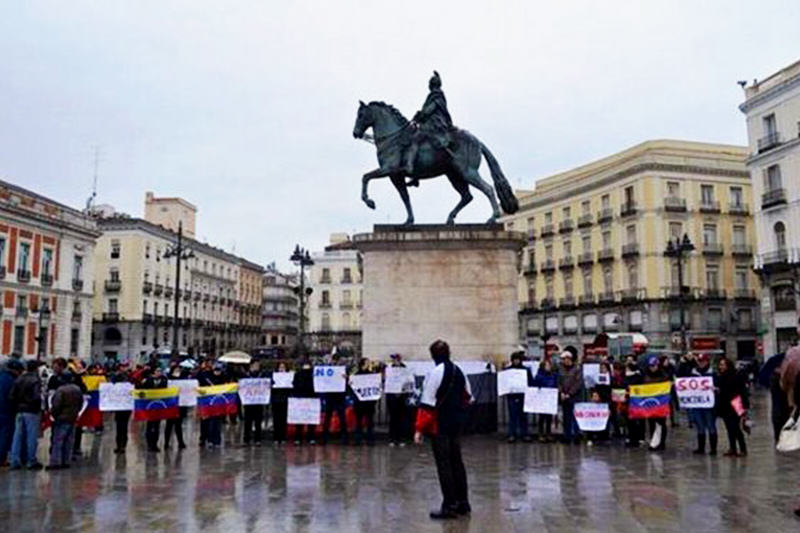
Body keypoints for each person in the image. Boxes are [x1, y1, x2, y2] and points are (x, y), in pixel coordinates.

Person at [414, 339, 472, 520]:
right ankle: (463, 502)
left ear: (433, 355)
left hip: (440, 425)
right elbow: (469, 397)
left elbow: (428, 403)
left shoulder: (435, 373)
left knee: (444, 464)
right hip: (456, 423)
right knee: (457, 462)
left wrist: (419, 429)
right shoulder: (459, 371)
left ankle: (449, 505)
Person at [404, 70, 454, 179]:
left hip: (435, 124)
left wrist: (421, 115)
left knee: (415, 139)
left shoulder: (436, 95)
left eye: (429, 83)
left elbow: (430, 109)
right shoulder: (437, 94)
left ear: (432, 84)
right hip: (432, 122)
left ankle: (409, 166)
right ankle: (415, 175)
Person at [9, 360, 43, 470]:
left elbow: (11, 396)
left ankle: (15, 460)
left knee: (17, 436)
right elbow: (36, 397)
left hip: (19, 410)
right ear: (36, 369)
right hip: (31, 411)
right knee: (31, 436)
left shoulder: (19, 379)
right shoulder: (35, 380)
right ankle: (31, 460)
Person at [47, 373, 83, 470]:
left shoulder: (60, 390)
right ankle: (66, 461)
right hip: (73, 418)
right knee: (69, 441)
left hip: (61, 418)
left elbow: (56, 405)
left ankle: (55, 462)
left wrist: (54, 415)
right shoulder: (77, 389)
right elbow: (81, 403)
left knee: (58, 441)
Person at [716, 357, 748, 457]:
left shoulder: (736, 375)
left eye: (723, 365)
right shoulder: (721, 376)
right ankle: (732, 448)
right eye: (720, 365)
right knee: (729, 428)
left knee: (735, 427)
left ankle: (743, 449)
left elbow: (741, 391)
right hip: (725, 405)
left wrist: (745, 406)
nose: (721, 367)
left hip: (735, 404)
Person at [689, 353, 718, 455]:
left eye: (703, 361)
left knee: (711, 426)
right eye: (700, 361)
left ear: (707, 361)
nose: (701, 363)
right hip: (697, 404)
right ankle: (701, 448)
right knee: (700, 426)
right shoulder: (693, 372)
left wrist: (716, 389)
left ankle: (713, 449)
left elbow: (719, 386)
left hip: (709, 404)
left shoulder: (713, 373)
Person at [321, 354, 349, 446]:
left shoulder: (343, 370)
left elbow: (349, 383)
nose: (335, 362)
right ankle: (324, 437)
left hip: (339, 397)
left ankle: (344, 437)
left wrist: (346, 378)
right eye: (334, 360)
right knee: (328, 418)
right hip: (330, 396)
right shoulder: (328, 369)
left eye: (337, 360)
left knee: (342, 418)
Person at [505, 352, 533, 443]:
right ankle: (512, 434)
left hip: (523, 396)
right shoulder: (508, 370)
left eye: (518, 359)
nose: (516, 361)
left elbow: (530, 382)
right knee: (513, 416)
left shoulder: (526, 370)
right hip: (512, 396)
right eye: (515, 359)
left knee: (523, 416)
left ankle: (524, 434)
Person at [643, 355, 668, 451]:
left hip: (661, 403)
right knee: (651, 423)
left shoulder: (663, 375)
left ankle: (662, 442)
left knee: (661, 423)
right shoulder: (646, 375)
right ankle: (654, 441)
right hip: (650, 404)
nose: (652, 368)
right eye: (651, 366)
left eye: (654, 366)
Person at [385, 354, 411, 446]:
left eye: (396, 359)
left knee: (401, 418)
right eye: (393, 359)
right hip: (392, 397)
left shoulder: (405, 369)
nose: (394, 361)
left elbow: (408, 381)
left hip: (402, 397)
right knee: (393, 418)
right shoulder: (389, 369)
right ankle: (392, 438)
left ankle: (401, 438)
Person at [141, 365, 168, 452]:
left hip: (159, 406)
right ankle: (149, 444)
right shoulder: (148, 380)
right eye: (157, 371)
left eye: (160, 371)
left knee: (157, 426)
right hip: (150, 406)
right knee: (149, 425)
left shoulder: (164, 380)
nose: (159, 373)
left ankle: (155, 444)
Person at [558, 352, 583, 444]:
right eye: (564, 359)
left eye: (567, 359)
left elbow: (578, 383)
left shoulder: (577, 369)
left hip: (574, 397)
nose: (566, 361)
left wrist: (570, 393)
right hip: (564, 396)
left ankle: (576, 435)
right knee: (566, 417)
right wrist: (561, 392)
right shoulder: (561, 370)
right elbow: (559, 382)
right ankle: (567, 436)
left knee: (575, 417)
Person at [352, 358, 377, 446]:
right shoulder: (356, 374)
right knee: (359, 423)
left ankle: (370, 439)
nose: (369, 364)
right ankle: (358, 439)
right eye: (367, 363)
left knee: (370, 422)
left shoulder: (371, 375)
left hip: (369, 403)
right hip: (359, 403)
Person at [109, 363, 132, 454]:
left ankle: (123, 446)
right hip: (119, 406)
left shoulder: (129, 376)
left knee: (124, 427)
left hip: (126, 406)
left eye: (125, 366)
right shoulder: (115, 377)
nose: (124, 368)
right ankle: (119, 445)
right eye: (122, 367)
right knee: (119, 427)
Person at [291, 359, 316, 445]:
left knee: (311, 420)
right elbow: (295, 385)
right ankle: (299, 437)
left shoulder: (313, 374)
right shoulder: (298, 374)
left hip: (311, 398)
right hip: (301, 399)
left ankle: (310, 437)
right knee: (300, 420)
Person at [533, 358, 558, 442]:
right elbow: (535, 385)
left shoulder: (553, 375)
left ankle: (548, 433)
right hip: (542, 398)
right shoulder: (539, 375)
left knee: (549, 418)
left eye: (549, 365)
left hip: (550, 398)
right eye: (547, 365)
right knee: (542, 417)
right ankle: (541, 433)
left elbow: (555, 384)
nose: (548, 367)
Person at [164, 361, 187, 450]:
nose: (178, 371)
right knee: (169, 425)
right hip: (171, 404)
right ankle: (166, 442)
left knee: (178, 425)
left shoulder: (183, 379)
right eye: (176, 369)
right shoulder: (168, 379)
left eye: (179, 369)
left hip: (180, 404)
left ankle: (180, 442)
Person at [242, 361, 265, 446]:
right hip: (248, 402)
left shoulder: (262, 375)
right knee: (247, 422)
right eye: (254, 365)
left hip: (258, 402)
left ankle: (257, 439)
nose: (256, 367)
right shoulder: (246, 375)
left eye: (257, 365)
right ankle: (246, 439)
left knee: (258, 422)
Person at [624, 355, 645, 448]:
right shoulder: (625, 375)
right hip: (628, 401)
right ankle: (632, 437)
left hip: (637, 401)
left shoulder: (638, 375)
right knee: (630, 421)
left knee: (637, 421)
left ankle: (637, 438)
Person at [271, 362, 290, 444]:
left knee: (283, 419)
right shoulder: (274, 377)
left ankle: (283, 437)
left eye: (283, 367)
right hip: (276, 400)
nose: (282, 369)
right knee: (276, 419)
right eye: (280, 367)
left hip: (285, 400)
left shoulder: (288, 377)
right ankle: (276, 437)